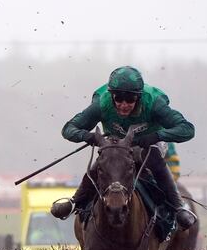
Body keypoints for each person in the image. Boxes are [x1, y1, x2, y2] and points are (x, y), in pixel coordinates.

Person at [50, 66, 197, 229]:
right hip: (115, 146)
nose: (124, 104)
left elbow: (187, 130)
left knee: (153, 156)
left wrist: (156, 136)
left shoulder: (155, 104)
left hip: (149, 143)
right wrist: (88, 136)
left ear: (139, 97)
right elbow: (68, 129)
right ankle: (75, 202)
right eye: (118, 98)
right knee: (103, 161)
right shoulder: (101, 104)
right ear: (112, 96)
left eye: (130, 99)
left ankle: (178, 207)